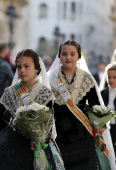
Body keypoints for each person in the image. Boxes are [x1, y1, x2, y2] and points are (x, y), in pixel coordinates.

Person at [0, 49, 65, 170]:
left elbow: (49, 124)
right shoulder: (10, 92)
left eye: (27, 66)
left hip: (36, 144)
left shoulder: (45, 93)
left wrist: (39, 139)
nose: (22, 70)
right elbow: (0, 122)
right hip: (10, 142)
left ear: (36, 68)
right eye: (19, 66)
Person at [48, 40, 116, 170]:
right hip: (57, 134)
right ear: (59, 56)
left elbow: (95, 105)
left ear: (79, 56)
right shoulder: (50, 78)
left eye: (72, 54)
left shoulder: (86, 78)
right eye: (64, 54)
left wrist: (100, 124)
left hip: (82, 134)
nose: (68, 57)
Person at [101, 63, 116, 156]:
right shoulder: (102, 93)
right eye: (109, 77)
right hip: (106, 128)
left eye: (114, 77)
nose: (111, 80)